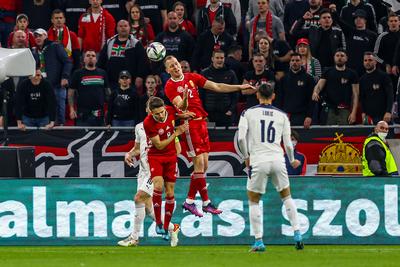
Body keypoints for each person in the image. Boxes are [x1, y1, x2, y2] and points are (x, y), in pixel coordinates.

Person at [163, 55, 256, 216]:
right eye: (171, 66)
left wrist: (240, 87)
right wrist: (185, 99)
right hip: (190, 127)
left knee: (203, 167)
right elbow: (180, 106)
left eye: (176, 64)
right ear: (167, 70)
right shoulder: (170, 86)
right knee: (199, 165)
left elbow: (217, 86)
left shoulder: (192, 77)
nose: (176, 67)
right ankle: (206, 203)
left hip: (202, 124)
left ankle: (190, 201)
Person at [237, 83, 304, 251]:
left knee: (254, 201)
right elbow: (288, 144)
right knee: (287, 196)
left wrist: (246, 157)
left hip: (258, 160)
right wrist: (292, 159)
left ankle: (259, 241)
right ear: (273, 96)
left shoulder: (248, 113)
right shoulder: (282, 115)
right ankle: (297, 233)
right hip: (278, 159)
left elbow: (240, 139)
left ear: (257, 95)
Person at [118, 102, 181, 247]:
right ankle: (173, 228)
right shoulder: (140, 127)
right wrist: (129, 154)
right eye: (152, 110)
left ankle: (134, 238)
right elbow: (137, 149)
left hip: (156, 169)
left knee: (138, 198)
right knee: (146, 207)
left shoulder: (167, 127)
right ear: (148, 110)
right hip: (143, 170)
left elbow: (177, 149)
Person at [142, 97, 189, 238]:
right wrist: (176, 133)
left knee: (169, 192)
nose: (161, 115)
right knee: (158, 186)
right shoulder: (148, 123)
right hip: (156, 156)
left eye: (162, 112)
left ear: (164, 108)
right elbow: (160, 145)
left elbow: (181, 108)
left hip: (171, 156)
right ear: (151, 112)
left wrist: (185, 100)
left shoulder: (169, 110)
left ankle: (167, 228)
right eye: (157, 114)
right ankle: (158, 223)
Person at [32, 28, 72, 126]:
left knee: (59, 110)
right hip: (42, 86)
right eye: (36, 36)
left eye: (40, 36)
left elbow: (68, 62)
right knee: (45, 111)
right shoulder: (34, 51)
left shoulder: (55, 46)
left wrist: (65, 77)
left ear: (46, 36)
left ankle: (60, 130)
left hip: (57, 85)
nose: (37, 38)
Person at [98, 19, 149, 91]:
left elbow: (142, 61)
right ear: (117, 28)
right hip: (112, 81)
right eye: (120, 26)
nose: (123, 28)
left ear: (129, 28)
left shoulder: (136, 43)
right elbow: (102, 60)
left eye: (125, 26)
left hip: (130, 81)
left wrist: (140, 76)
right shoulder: (110, 42)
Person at [312, 49, 359, 125]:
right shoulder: (327, 71)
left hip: (345, 109)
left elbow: (356, 95)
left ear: (346, 58)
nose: (339, 58)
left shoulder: (352, 73)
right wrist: (315, 92)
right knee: (328, 134)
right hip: (329, 109)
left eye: (342, 56)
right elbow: (319, 86)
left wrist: (353, 113)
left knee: (344, 134)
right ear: (334, 57)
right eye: (337, 55)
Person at [69, 50, 110, 126]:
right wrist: (71, 109)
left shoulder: (103, 73)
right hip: (83, 114)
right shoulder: (77, 73)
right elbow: (71, 92)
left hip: (99, 114)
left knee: (99, 137)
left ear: (96, 60)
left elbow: (108, 92)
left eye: (93, 56)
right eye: (88, 55)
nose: (90, 57)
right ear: (84, 59)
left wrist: (109, 110)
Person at [200, 49, 238, 127]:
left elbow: (236, 94)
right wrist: (203, 113)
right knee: (209, 137)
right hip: (209, 114)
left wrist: (231, 110)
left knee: (225, 138)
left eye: (222, 58)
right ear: (212, 59)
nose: (219, 60)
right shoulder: (204, 73)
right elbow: (200, 94)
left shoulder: (231, 73)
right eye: (217, 58)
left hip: (226, 114)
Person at [276, 52, 315, 128]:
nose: (295, 62)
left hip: (302, 116)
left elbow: (312, 100)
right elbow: (279, 98)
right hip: (286, 115)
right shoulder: (284, 79)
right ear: (290, 62)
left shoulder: (309, 79)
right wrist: (279, 114)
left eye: (297, 60)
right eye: (292, 60)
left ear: (302, 62)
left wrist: (309, 116)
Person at [359, 52, 393, 124]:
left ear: (375, 62)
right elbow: (362, 98)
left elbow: (390, 95)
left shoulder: (384, 76)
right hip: (369, 117)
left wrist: (388, 111)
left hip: (383, 116)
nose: (367, 62)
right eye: (365, 60)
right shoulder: (362, 79)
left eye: (370, 60)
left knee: (385, 135)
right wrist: (363, 112)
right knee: (370, 136)